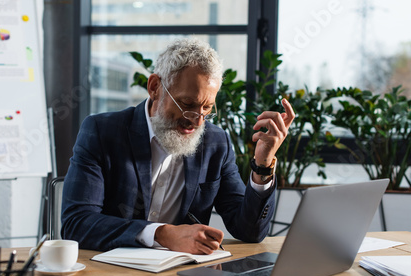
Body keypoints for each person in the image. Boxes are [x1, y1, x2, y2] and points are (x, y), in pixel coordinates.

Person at [61, 38, 295, 254]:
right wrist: (162, 234)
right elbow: (77, 223)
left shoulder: (216, 143)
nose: (197, 119)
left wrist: (263, 165)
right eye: (187, 103)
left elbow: (249, 231)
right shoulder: (102, 132)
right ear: (154, 87)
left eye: (207, 108)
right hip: (110, 273)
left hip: (182, 275)